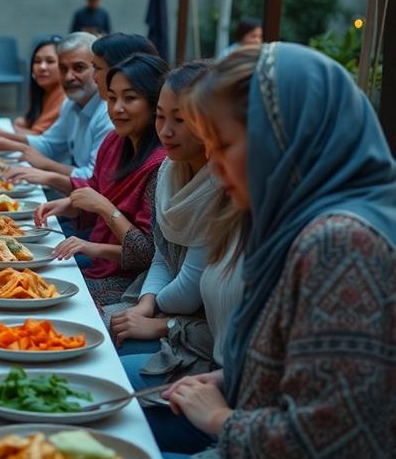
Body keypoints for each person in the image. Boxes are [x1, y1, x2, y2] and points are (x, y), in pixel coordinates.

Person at [160, 43, 395, 457]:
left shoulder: (342, 243)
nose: (213, 167)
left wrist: (217, 418)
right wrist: (230, 378)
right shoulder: (299, 219)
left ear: (284, 139)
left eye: (225, 144)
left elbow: (333, 439)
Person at [113, 62, 246, 454]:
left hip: (202, 362)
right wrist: (146, 305)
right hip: (207, 367)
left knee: (97, 371)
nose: (165, 131)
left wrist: (156, 322)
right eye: (161, 117)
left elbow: (192, 290)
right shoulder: (170, 172)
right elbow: (160, 255)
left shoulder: (227, 192)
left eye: (181, 120)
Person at [34, 53, 168, 307]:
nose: (116, 108)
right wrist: (69, 205)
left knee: (45, 299)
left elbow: (145, 254)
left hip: (128, 283)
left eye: (130, 98)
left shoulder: (160, 165)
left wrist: (103, 210)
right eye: (112, 97)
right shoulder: (115, 141)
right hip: (98, 264)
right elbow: (95, 191)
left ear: (153, 105)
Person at [0, 33, 109, 192]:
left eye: (79, 68)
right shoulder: (71, 103)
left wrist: (46, 164)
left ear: (97, 70)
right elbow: (49, 143)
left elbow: (92, 177)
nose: (69, 77)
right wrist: (7, 138)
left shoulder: (107, 114)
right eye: (63, 69)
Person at [10, 35, 67, 135]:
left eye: (50, 61)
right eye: (37, 61)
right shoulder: (44, 91)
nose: (42, 67)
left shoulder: (65, 96)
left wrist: (4, 129)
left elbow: (38, 137)